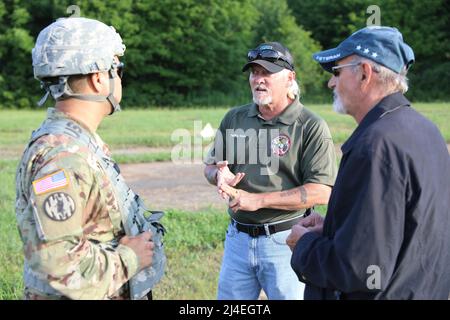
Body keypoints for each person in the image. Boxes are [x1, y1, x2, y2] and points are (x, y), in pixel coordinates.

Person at [287, 26, 450, 299]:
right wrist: (338, 226)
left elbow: (359, 268)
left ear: (364, 72)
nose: (331, 83)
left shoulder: (376, 146)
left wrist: (304, 245)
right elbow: (402, 229)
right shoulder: (426, 130)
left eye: (337, 72)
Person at [15, 17, 166, 300]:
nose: (119, 78)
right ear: (99, 78)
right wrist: (130, 258)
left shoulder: (77, 142)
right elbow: (59, 265)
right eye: (117, 69)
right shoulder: (62, 157)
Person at [204, 42, 337, 300]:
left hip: (286, 240)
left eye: (267, 73)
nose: (258, 80)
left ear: (290, 78)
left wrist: (258, 201)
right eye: (254, 72)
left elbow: (321, 192)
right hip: (237, 240)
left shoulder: (310, 126)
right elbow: (210, 166)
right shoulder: (235, 118)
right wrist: (218, 175)